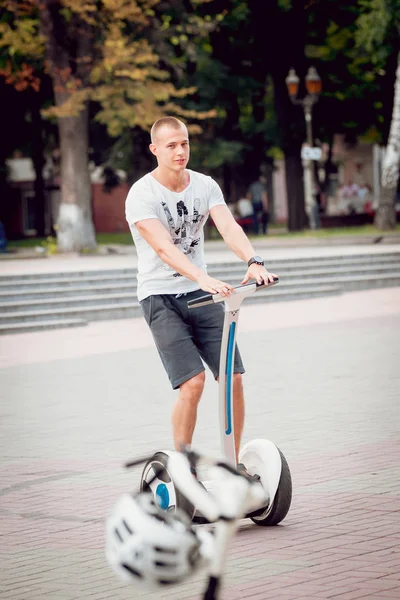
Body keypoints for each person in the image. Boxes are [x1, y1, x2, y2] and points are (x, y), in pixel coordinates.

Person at [125, 116, 276, 469]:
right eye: (171, 145)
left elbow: (228, 226)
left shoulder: (205, 186)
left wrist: (254, 261)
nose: (180, 151)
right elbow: (163, 248)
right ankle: (182, 467)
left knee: (232, 378)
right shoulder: (141, 194)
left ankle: (234, 465)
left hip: (201, 293)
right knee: (192, 384)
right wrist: (199, 275)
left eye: (185, 143)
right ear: (155, 150)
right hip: (160, 297)